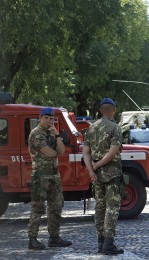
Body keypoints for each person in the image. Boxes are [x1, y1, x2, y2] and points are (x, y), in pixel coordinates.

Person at [83, 98, 124, 255]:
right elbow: (113, 151)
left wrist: (91, 170)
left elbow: (85, 152)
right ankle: (108, 243)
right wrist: (98, 165)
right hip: (111, 173)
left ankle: (100, 242)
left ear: (100, 110)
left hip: (97, 176)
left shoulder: (91, 129)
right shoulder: (115, 128)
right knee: (112, 208)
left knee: (100, 207)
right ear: (113, 110)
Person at [28, 107, 72, 250]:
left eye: (51, 118)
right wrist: (56, 151)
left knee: (56, 206)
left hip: (54, 175)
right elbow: (49, 153)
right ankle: (32, 239)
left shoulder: (52, 134)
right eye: (46, 118)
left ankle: (54, 237)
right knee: (38, 207)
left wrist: (58, 135)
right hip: (41, 175)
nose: (48, 121)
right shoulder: (36, 134)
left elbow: (62, 151)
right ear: (40, 118)